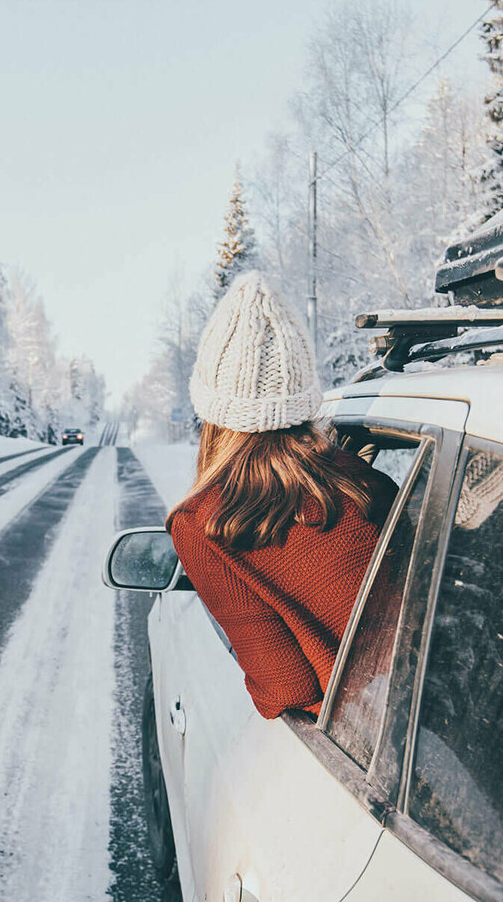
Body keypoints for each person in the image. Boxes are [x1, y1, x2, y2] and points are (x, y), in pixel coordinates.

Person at [165, 272, 397, 719]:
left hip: (359, 731)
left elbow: (287, 688)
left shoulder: (203, 526)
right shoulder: (369, 486)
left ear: (213, 412)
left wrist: (259, 689)